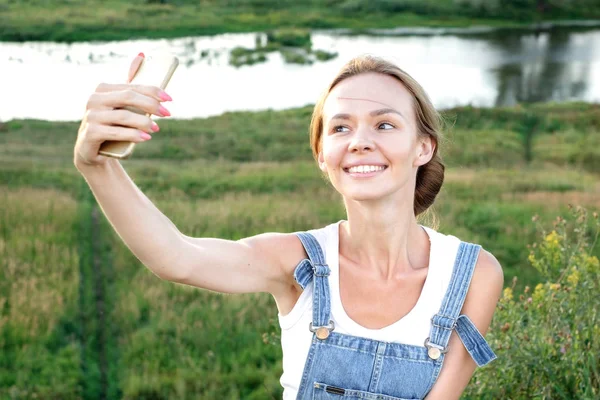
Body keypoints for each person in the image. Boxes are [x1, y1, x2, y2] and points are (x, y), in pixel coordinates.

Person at [74, 53, 504, 400]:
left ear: (422, 147)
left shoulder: (473, 275)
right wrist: (96, 166)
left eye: (385, 124)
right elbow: (177, 257)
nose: (359, 141)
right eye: (340, 128)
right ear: (323, 155)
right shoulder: (297, 262)